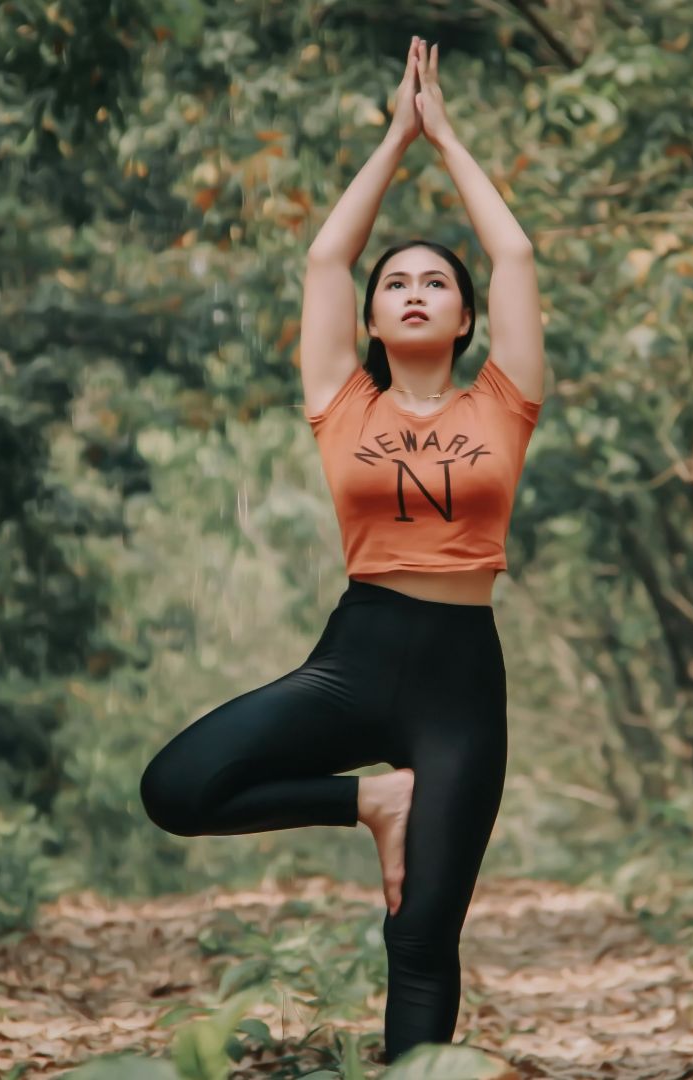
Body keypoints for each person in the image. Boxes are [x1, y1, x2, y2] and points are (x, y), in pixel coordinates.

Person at [139, 34, 547, 1066]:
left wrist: (448, 140)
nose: (414, 289)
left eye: (435, 284)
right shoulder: (340, 403)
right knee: (178, 790)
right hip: (357, 656)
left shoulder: (504, 403)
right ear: (370, 317)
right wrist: (393, 137)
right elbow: (324, 256)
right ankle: (374, 801)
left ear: (463, 322)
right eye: (396, 281)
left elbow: (516, 257)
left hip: (461, 678)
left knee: (420, 937)